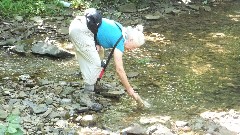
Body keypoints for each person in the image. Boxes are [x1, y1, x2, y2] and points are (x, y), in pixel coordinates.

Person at [69, 8, 146, 107]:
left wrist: (96, 42)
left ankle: (95, 83)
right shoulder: (120, 41)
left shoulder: (121, 28)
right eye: (134, 47)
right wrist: (130, 89)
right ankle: (86, 94)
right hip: (80, 31)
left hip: (81, 26)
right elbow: (119, 70)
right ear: (130, 40)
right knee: (95, 64)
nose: (132, 49)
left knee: (100, 52)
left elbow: (99, 26)